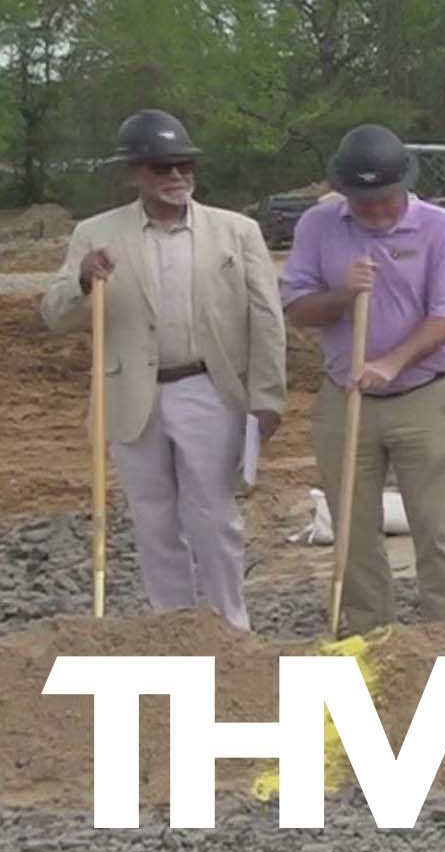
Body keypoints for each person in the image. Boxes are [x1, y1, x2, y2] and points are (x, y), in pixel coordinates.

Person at [41, 109, 287, 630]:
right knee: (153, 518)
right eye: (162, 168)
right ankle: (172, 627)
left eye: (184, 165)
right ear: (134, 173)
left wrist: (268, 395)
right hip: (131, 393)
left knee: (214, 515)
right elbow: (55, 315)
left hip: (207, 387)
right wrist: (84, 281)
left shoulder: (236, 232)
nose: (177, 177)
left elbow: (267, 317)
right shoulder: (95, 234)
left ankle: (230, 628)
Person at [281, 124, 445, 634]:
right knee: (353, 527)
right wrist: (343, 295)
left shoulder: (441, 229)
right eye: (364, 202)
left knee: (436, 526)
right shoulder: (318, 226)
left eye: (386, 200)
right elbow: (297, 309)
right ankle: (373, 638)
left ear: (403, 186)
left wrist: (392, 361)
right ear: (345, 192)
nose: (377, 212)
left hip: (424, 397)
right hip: (346, 399)